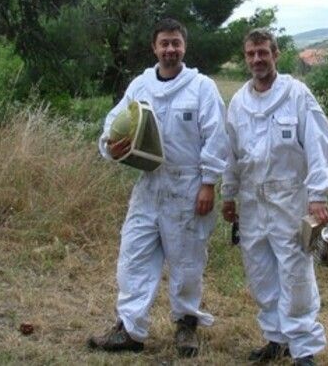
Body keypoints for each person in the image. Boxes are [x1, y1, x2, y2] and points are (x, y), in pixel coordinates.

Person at [88, 18, 228, 357]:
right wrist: (110, 146)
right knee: (133, 256)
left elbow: (216, 138)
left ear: (184, 47)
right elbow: (113, 125)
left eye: (175, 43)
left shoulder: (201, 87)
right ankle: (130, 329)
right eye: (164, 43)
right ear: (154, 47)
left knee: (187, 262)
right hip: (149, 186)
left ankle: (186, 325)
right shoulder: (140, 85)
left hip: (188, 185)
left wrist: (208, 184)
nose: (170, 49)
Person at [221, 29, 328, 366]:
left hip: (290, 199)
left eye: (263, 53)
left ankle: (304, 349)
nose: (257, 59)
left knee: (296, 273)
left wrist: (318, 195)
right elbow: (231, 153)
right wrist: (228, 194)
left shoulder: (297, 95)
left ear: (276, 54)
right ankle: (276, 338)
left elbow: (319, 145)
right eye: (251, 54)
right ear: (246, 58)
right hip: (252, 201)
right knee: (261, 274)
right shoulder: (239, 102)